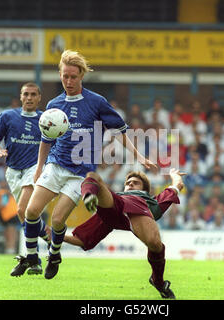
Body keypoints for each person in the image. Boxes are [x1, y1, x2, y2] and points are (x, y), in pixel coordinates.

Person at [21, 50, 158, 280]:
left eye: (73, 77)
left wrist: (139, 156)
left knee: (56, 220)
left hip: (81, 175)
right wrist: (38, 168)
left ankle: (54, 255)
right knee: (31, 211)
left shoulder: (96, 102)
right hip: (55, 165)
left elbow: (119, 132)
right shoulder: (54, 104)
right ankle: (32, 257)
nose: (69, 81)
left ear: (81, 75)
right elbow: (46, 139)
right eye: (65, 76)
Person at [64, 168, 184, 299]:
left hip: (140, 208)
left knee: (155, 244)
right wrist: (57, 235)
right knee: (93, 176)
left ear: (144, 190)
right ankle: (88, 196)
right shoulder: (114, 202)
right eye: (128, 182)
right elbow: (82, 239)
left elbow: (177, 185)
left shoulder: (154, 202)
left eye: (135, 182)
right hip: (116, 205)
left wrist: (174, 174)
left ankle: (158, 282)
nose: (130, 184)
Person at [0, 82, 51, 276]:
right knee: (25, 218)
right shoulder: (7, 116)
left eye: (33, 94)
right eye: (26, 94)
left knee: (23, 209)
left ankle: (32, 256)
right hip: (13, 171)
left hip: (35, 169)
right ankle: (39, 253)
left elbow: (54, 142)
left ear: (39, 98)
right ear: (21, 97)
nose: (29, 98)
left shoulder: (46, 119)